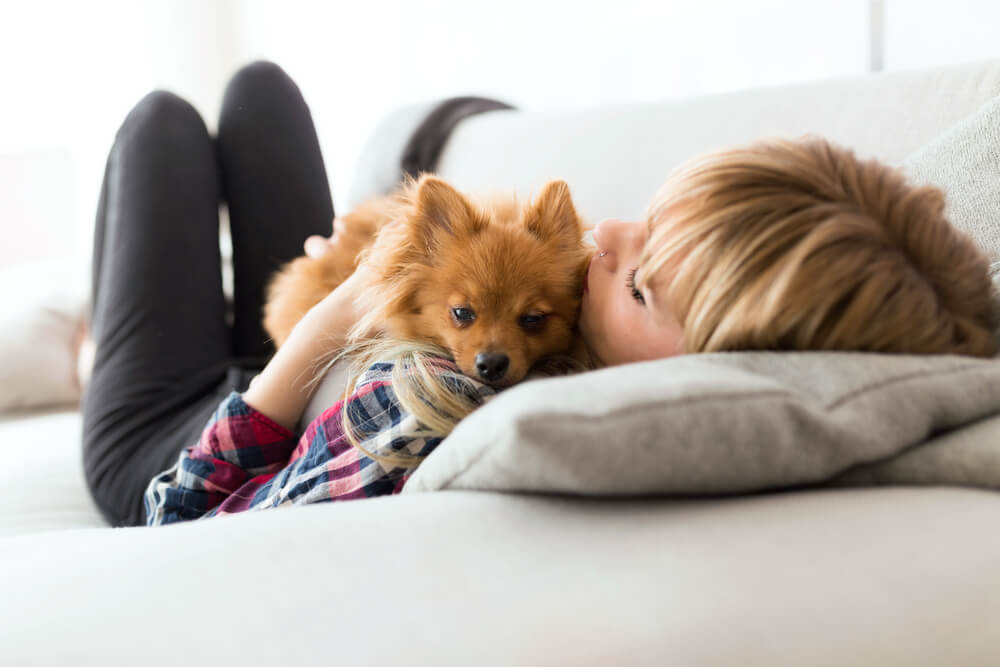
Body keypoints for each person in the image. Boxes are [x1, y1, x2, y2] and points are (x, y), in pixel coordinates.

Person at [83, 62, 998, 528]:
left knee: (159, 123)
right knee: (260, 93)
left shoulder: (440, 412)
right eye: (641, 218)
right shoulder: (578, 310)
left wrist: (330, 318)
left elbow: (183, 516)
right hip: (324, 358)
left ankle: (94, 354)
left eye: (636, 280)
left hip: (188, 436)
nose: (603, 237)